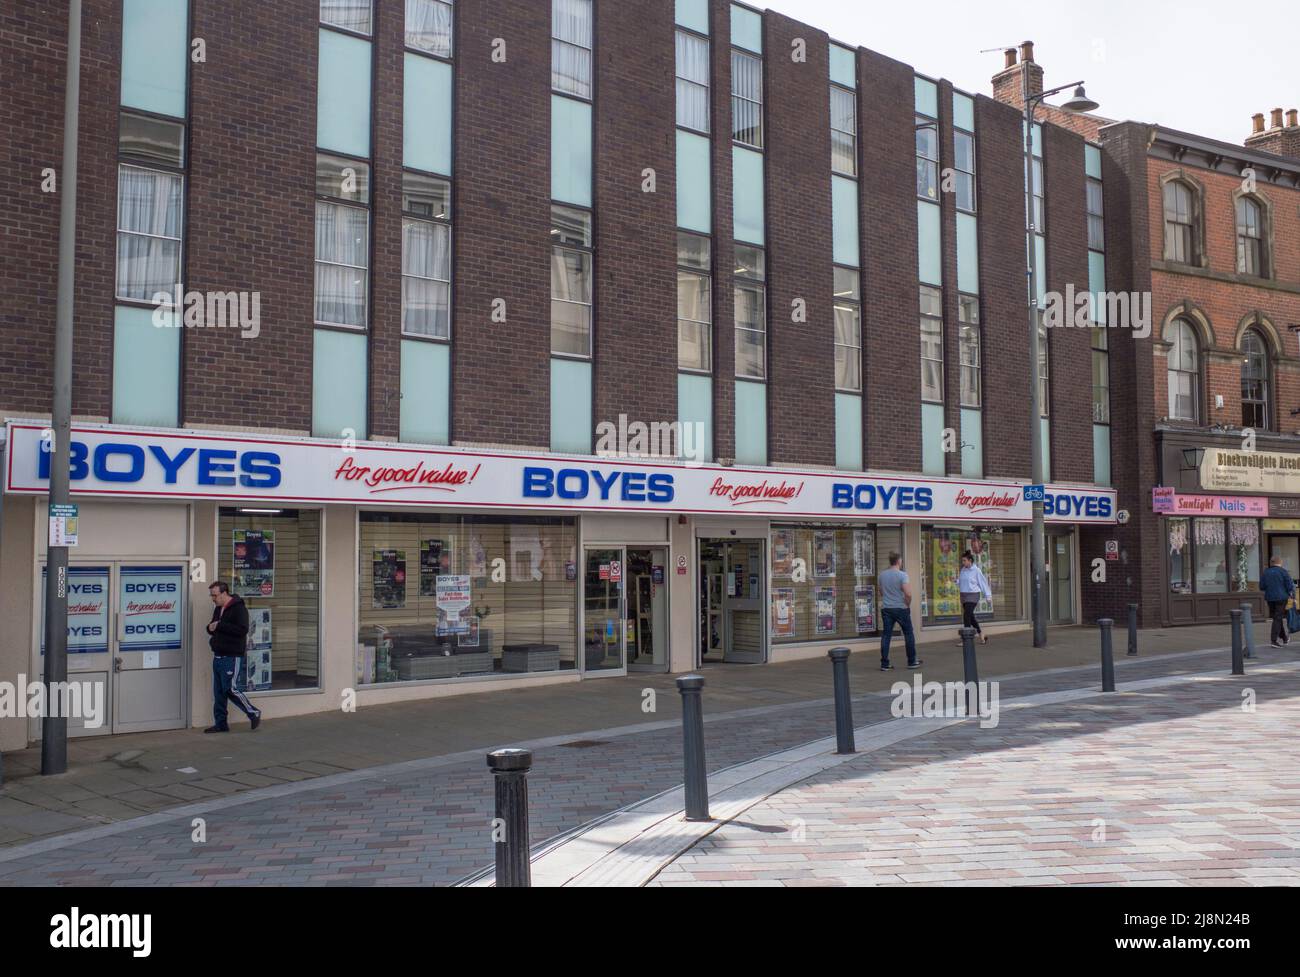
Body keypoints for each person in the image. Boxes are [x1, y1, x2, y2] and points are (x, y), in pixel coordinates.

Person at [206, 581, 262, 733]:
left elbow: (242, 630)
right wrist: (210, 628)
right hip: (218, 655)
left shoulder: (239, 608)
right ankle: (221, 723)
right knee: (218, 692)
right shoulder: (218, 608)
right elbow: (214, 626)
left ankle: (253, 712)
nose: (213, 598)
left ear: (224, 593)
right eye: (211, 595)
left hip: (231, 656)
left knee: (230, 688)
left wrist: (219, 625)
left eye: (215, 595)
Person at [878, 552, 922, 671]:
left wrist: (888, 598)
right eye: (901, 561)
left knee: (886, 635)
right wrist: (907, 604)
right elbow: (908, 593)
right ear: (898, 561)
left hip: (886, 608)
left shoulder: (882, 575)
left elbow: (881, 592)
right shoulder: (902, 575)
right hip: (901, 608)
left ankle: (885, 663)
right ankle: (912, 661)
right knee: (908, 633)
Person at [956, 550, 992, 644]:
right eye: (962, 561)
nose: (962, 562)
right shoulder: (963, 569)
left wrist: (988, 595)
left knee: (966, 615)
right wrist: (956, 581)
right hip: (963, 595)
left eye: (964, 560)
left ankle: (966, 640)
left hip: (973, 595)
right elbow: (961, 581)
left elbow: (983, 583)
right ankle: (981, 635)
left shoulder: (976, 570)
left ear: (970, 560)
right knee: (971, 617)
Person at [1260, 555, 1294, 648]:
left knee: (1277, 618)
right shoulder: (1283, 572)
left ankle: (1284, 638)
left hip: (1270, 598)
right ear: (1280, 562)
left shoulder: (1265, 572)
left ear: (1271, 562)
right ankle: (1273, 641)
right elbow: (1289, 586)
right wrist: (1291, 594)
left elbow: (1262, 586)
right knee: (1277, 618)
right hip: (1281, 598)